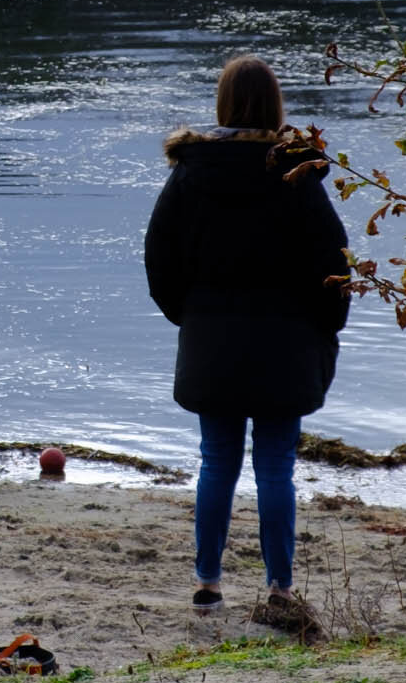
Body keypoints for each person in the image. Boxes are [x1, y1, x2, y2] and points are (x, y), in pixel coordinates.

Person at [144, 54, 349, 637]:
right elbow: (335, 265)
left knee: (217, 461)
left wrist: (189, 316)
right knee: (276, 466)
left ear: (223, 103)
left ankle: (208, 583)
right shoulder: (298, 175)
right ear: (276, 105)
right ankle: (280, 586)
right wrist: (327, 326)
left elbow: (159, 259)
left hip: (213, 338)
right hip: (287, 341)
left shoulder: (190, 171)